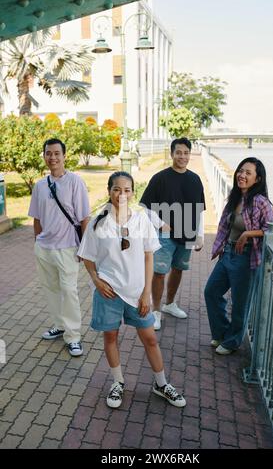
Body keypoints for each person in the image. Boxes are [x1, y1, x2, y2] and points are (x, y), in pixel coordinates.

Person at [78, 171, 186, 409]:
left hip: (137, 293)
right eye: (117, 189)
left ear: (133, 193)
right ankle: (117, 382)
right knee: (111, 337)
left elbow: (149, 258)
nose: (122, 194)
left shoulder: (141, 221)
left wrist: (147, 292)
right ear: (109, 191)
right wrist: (96, 281)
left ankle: (161, 384)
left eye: (127, 190)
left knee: (150, 338)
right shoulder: (98, 222)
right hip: (109, 293)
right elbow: (86, 256)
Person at [204, 157, 273, 355]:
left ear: (258, 179)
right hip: (228, 253)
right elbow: (225, 225)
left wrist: (248, 233)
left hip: (246, 258)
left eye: (248, 173)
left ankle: (232, 342)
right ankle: (222, 333)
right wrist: (220, 246)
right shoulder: (235, 197)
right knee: (211, 291)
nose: (242, 175)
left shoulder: (260, 202)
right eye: (240, 171)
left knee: (240, 304)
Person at [28, 138, 90, 357]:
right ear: (44, 156)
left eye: (56, 153)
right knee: (51, 290)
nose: (52, 157)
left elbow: (84, 218)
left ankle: (73, 336)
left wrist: (84, 247)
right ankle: (60, 325)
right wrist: (38, 242)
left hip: (67, 248)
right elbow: (36, 218)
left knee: (69, 291)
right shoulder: (39, 185)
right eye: (48, 153)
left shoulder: (75, 182)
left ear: (64, 156)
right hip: (44, 248)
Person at [140, 137, 206, 330]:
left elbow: (200, 210)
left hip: (188, 235)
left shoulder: (195, 179)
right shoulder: (160, 178)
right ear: (172, 154)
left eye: (186, 153)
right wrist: (160, 225)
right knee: (159, 273)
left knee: (178, 269)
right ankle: (156, 311)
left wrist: (200, 234)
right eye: (179, 152)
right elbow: (146, 206)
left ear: (189, 154)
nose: (182, 156)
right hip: (165, 236)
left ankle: (170, 304)